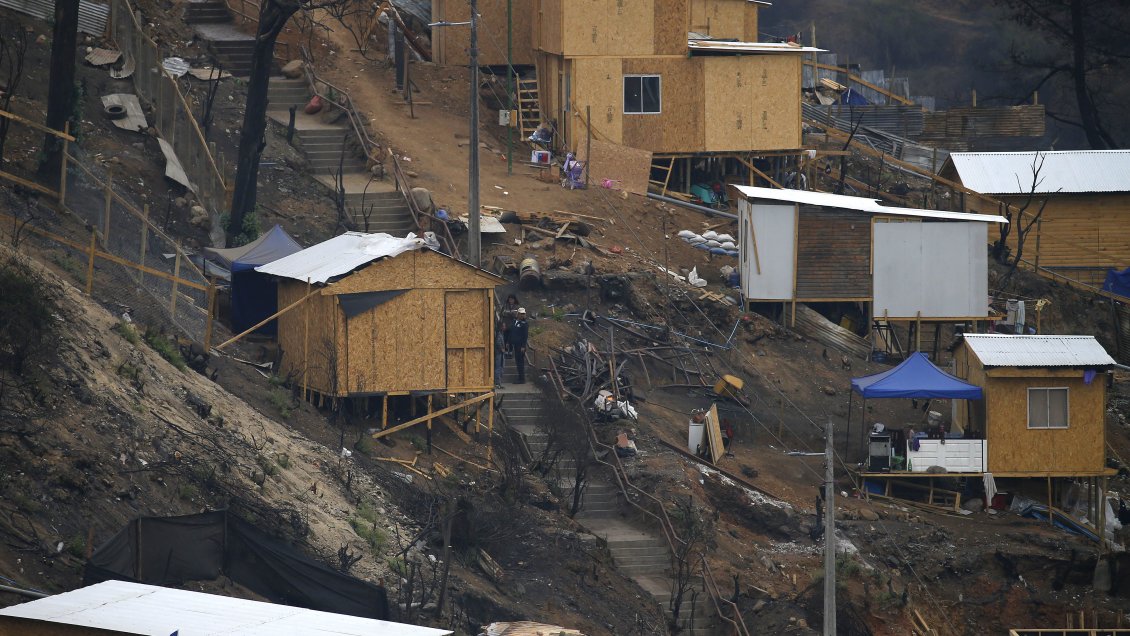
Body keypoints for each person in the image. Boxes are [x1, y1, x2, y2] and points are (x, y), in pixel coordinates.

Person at [508, 307, 529, 384]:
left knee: (520, 362)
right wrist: (508, 342)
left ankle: (521, 378)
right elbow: (511, 332)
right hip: (515, 344)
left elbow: (525, 336)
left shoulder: (524, 323)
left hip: (520, 345)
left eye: (523, 314)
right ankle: (520, 377)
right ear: (518, 314)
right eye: (521, 314)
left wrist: (523, 346)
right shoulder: (514, 322)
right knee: (517, 361)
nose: (522, 315)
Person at [494, 318, 507, 389]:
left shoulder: (501, 334)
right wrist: (502, 349)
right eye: (504, 326)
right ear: (501, 327)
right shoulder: (499, 334)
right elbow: (498, 342)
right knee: (498, 368)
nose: (505, 327)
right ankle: (497, 383)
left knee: (501, 367)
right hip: (499, 354)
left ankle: (499, 382)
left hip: (500, 354)